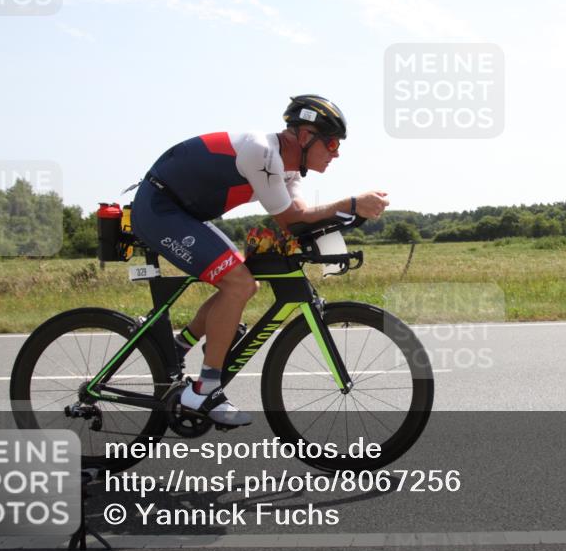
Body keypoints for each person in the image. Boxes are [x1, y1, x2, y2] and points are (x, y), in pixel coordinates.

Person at [130, 95, 389, 426]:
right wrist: (352, 203)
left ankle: (177, 347)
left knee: (241, 282)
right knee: (238, 283)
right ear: (307, 135)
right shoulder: (262, 151)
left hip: (185, 213)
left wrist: (348, 217)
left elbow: (301, 221)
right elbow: (291, 217)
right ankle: (204, 390)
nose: (337, 153)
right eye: (333, 143)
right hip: (160, 208)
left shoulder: (289, 172)